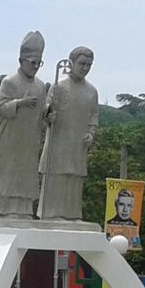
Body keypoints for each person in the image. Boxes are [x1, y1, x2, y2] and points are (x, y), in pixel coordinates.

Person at [0, 31, 48, 218]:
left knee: (25, 175)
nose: (36, 67)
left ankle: (22, 209)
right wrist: (20, 103)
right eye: (32, 62)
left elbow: (43, 111)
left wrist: (49, 113)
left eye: (39, 63)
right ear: (21, 60)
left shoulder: (40, 85)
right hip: (8, 140)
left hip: (29, 141)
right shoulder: (10, 82)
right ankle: (0, 209)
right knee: (5, 174)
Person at [37, 46, 100, 221]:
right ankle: (51, 213)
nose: (85, 68)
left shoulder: (92, 91)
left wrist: (91, 132)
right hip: (58, 142)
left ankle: (72, 215)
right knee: (57, 176)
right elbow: (45, 113)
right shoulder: (58, 87)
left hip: (78, 144)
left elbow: (94, 115)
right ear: (71, 63)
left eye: (89, 64)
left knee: (74, 179)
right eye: (82, 63)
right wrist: (49, 115)